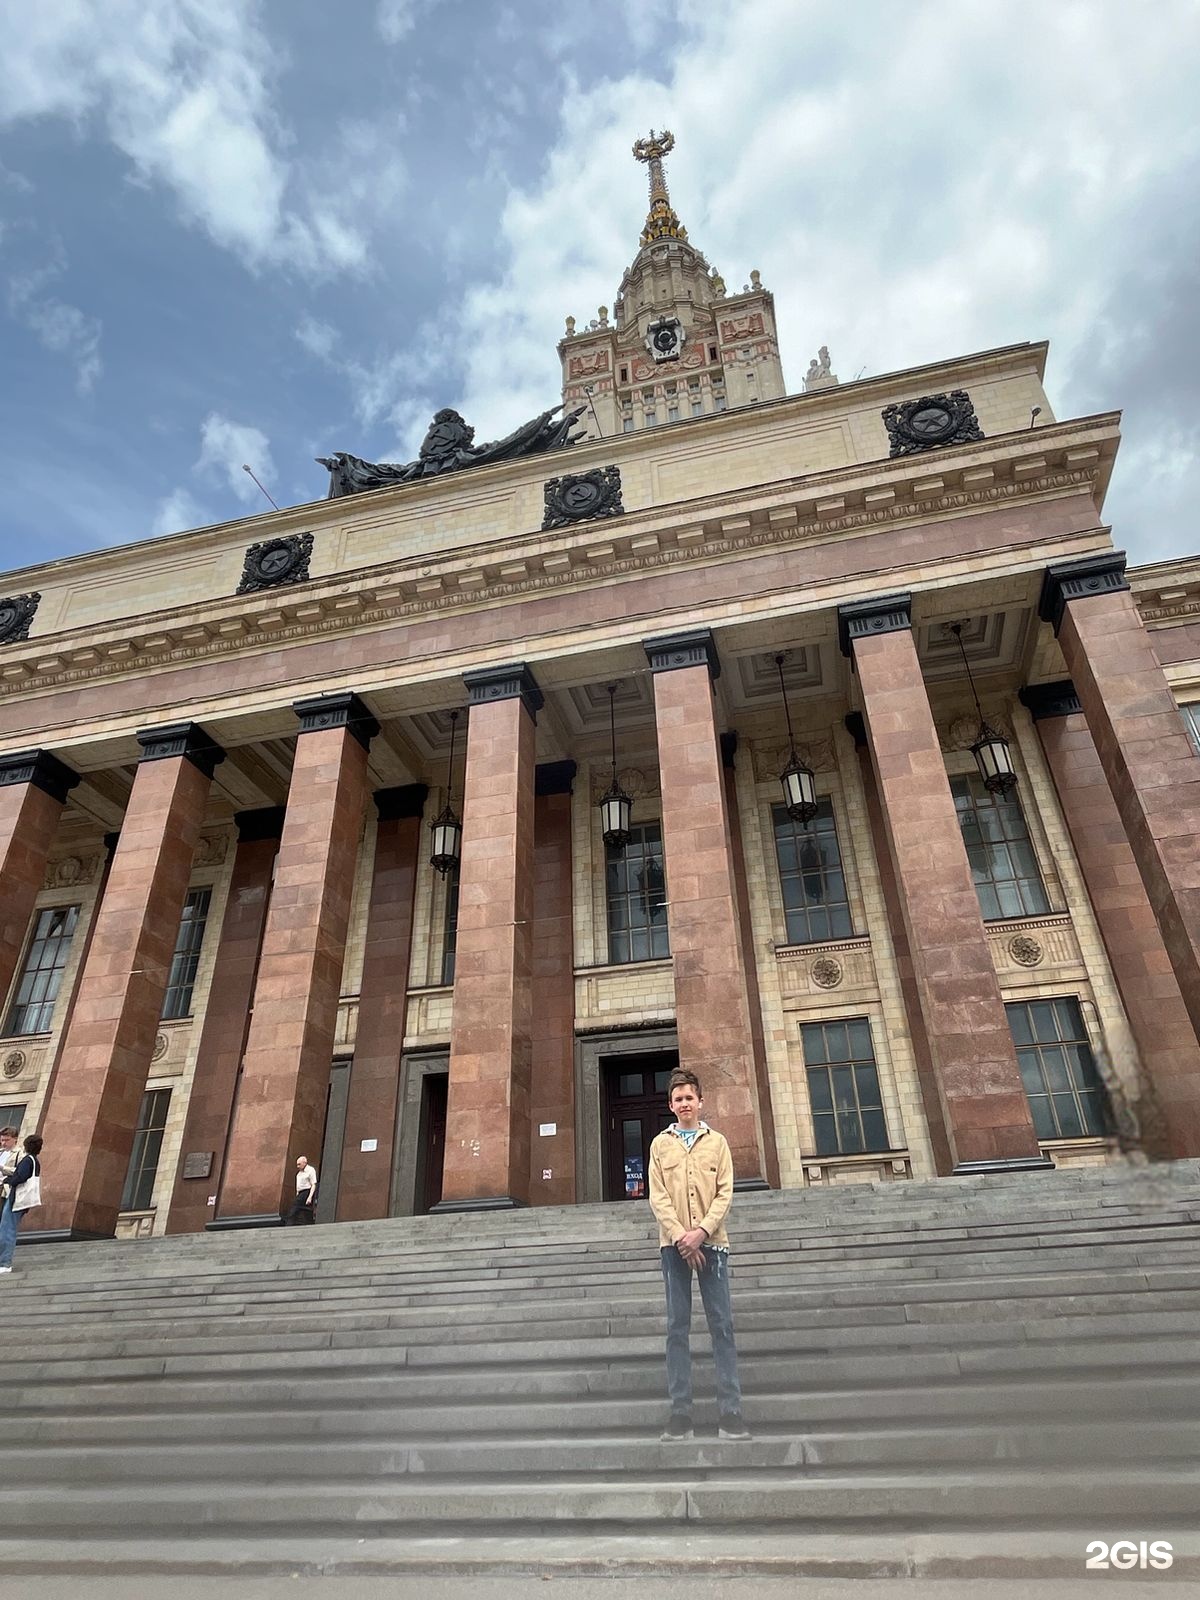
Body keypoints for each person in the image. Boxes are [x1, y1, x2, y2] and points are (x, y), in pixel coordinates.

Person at [647, 1069, 750, 1442]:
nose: (684, 1104)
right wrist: (681, 1238)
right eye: (678, 1099)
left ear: (700, 1101)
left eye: (690, 1098)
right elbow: (657, 1196)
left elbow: (725, 1192)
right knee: (677, 1327)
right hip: (674, 1247)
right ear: (670, 1106)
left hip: (713, 1244)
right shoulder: (660, 1146)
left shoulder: (717, 1143)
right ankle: (681, 1414)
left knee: (721, 1326)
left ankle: (731, 1412)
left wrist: (701, 1233)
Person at [0, 1134, 43, 1273]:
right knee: (8, 1227)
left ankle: (4, 1263)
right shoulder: (35, 1161)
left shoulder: (27, 1160)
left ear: (25, 1145)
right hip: (25, 1200)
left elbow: (21, 1176)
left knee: (7, 1229)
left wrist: (8, 1181)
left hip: (17, 1197)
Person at [284, 1155, 318, 1225]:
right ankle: (308, 1223)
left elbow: (313, 1184)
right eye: (297, 1164)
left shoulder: (310, 1170)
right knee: (306, 1210)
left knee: (294, 1208)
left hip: (306, 1192)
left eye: (299, 1164)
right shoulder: (299, 1173)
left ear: (304, 1163)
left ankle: (289, 1224)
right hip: (300, 1193)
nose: (298, 1166)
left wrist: (310, 1197)